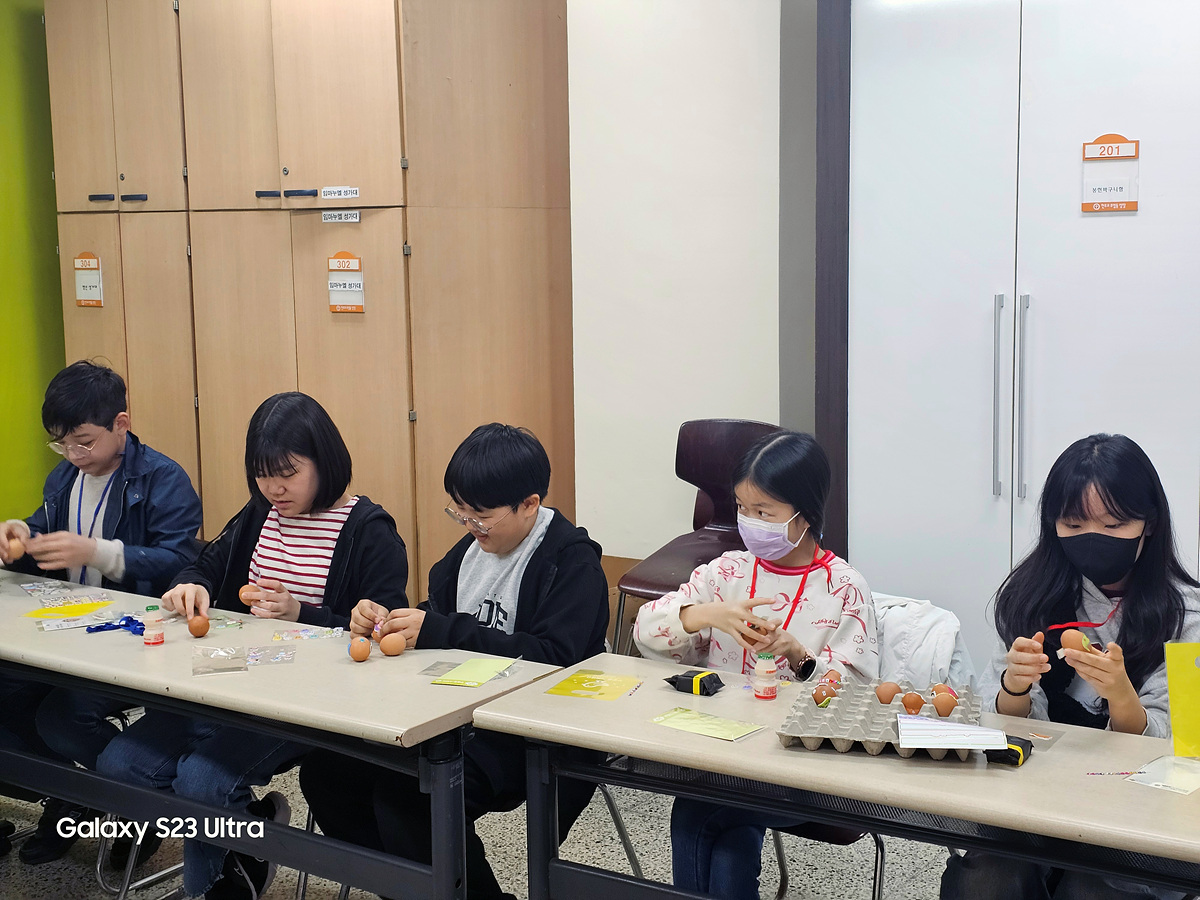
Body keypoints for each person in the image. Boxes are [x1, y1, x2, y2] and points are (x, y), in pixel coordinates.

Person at [96, 392, 410, 900]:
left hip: (307, 702)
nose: (274, 488)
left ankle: (212, 885)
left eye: (287, 473)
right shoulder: (260, 513)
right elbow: (206, 561)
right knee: (120, 763)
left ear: (325, 461)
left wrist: (302, 614)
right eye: (262, 475)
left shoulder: (369, 532)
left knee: (202, 780)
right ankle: (250, 835)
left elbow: (383, 633)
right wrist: (192, 583)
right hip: (231, 681)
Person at [299, 423, 609, 900]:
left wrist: (438, 630)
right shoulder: (469, 553)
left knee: (410, 799)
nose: (469, 526)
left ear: (529, 504)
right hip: (451, 713)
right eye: (460, 512)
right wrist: (392, 622)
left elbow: (551, 659)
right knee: (327, 775)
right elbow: (441, 616)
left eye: (481, 517)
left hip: (532, 727)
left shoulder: (571, 564)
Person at [941, 433, 1200, 900]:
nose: (1093, 539)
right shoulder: (1033, 596)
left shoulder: (1187, 616)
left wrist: (1121, 697)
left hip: (1140, 810)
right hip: (1036, 798)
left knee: (1091, 890)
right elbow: (998, 729)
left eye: (1114, 523)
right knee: (986, 879)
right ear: (1052, 523)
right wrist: (1015, 688)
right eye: (1074, 523)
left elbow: (1178, 751)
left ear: (1150, 524)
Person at [634, 430, 879, 900]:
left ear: (805, 514)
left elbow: (857, 701)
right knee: (725, 835)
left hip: (802, 767)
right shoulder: (727, 571)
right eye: (742, 508)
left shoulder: (844, 589)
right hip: (721, 753)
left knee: (699, 810)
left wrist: (798, 655)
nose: (749, 523)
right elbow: (644, 632)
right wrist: (708, 615)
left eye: (764, 513)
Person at [0, 360, 202, 864]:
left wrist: (99, 553)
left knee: (61, 719)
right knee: (7, 695)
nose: (73, 454)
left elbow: (182, 562)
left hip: (134, 640)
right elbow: (46, 535)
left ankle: (138, 807)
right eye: (62, 444)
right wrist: (20, 537)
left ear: (121, 424)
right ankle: (72, 796)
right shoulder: (64, 477)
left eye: (84, 442)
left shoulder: (162, 479)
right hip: (67, 635)